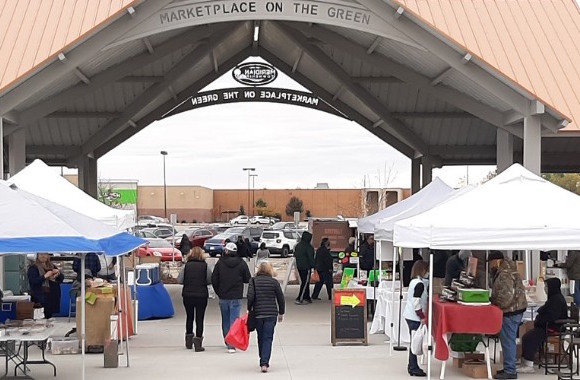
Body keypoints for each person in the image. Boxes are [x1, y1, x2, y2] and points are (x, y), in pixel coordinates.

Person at [489, 251, 527, 380]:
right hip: (514, 309)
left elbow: (506, 295)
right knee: (507, 340)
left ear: (496, 261)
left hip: (511, 311)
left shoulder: (505, 274)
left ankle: (510, 370)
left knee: (508, 341)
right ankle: (508, 367)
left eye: (491, 263)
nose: (490, 266)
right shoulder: (507, 270)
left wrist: (495, 303)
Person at [519, 277, 568, 373]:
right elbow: (544, 310)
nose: (545, 289)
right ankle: (526, 361)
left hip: (553, 327)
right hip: (547, 325)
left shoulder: (557, 300)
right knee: (527, 336)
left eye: (547, 287)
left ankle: (528, 364)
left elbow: (551, 316)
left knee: (530, 338)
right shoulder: (554, 298)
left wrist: (540, 321)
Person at [211, 242, 251, 353]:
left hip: (223, 295)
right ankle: (232, 344)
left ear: (226, 251)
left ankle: (227, 341)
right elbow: (247, 278)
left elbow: (214, 279)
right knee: (234, 320)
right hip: (236, 295)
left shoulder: (220, 263)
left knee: (225, 319)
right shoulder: (241, 263)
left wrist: (218, 291)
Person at [247, 261, 285, 373]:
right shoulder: (274, 282)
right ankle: (265, 362)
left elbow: (250, 296)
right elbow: (280, 298)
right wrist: (281, 312)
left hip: (258, 313)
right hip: (271, 313)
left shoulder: (253, 281)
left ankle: (262, 358)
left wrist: (249, 309)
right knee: (268, 338)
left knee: (260, 337)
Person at [178, 247, 212, 352]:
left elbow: (180, 280)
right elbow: (209, 280)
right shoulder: (205, 266)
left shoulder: (186, 266)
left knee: (189, 317)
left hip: (188, 294)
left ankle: (188, 340)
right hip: (201, 295)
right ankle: (198, 343)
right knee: (199, 318)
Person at [403, 260, 429, 377]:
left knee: (414, 341)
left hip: (409, 315)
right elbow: (416, 301)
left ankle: (412, 365)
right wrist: (422, 316)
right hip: (414, 317)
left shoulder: (414, 281)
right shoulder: (419, 284)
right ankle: (413, 367)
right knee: (416, 342)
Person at [27, 254, 64, 319]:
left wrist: (58, 273)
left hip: (52, 297)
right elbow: (33, 281)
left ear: (48, 256)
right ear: (37, 256)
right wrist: (45, 276)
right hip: (40, 297)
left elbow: (61, 279)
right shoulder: (33, 268)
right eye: (41, 254)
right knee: (39, 318)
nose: (43, 256)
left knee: (49, 317)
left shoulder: (52, 266)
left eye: (45, 254)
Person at [294, 231, 315, 305]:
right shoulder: (308, 247)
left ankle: (307, 297)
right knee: (305, 283)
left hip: (299, 266)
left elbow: (295, 255)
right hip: (306, 267)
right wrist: (314, 266)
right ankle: (300, 298)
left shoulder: (298, 245)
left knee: (305, 282)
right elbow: (311, 258)